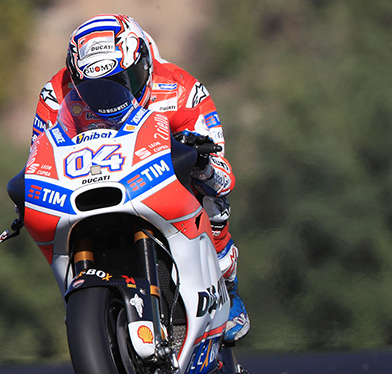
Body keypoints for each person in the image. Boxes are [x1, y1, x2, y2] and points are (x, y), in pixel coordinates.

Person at [30, 14, 249, 344]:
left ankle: (226, 285)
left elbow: (222, 174)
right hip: (93, 179)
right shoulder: (55, 95)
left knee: (212, 196)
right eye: (95, 87)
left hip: (158, 177)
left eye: (124, 79)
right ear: (76, 79)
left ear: (143, 62)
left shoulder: (182, 89)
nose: (111, 94)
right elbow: (39, 154)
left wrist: (201, 160)